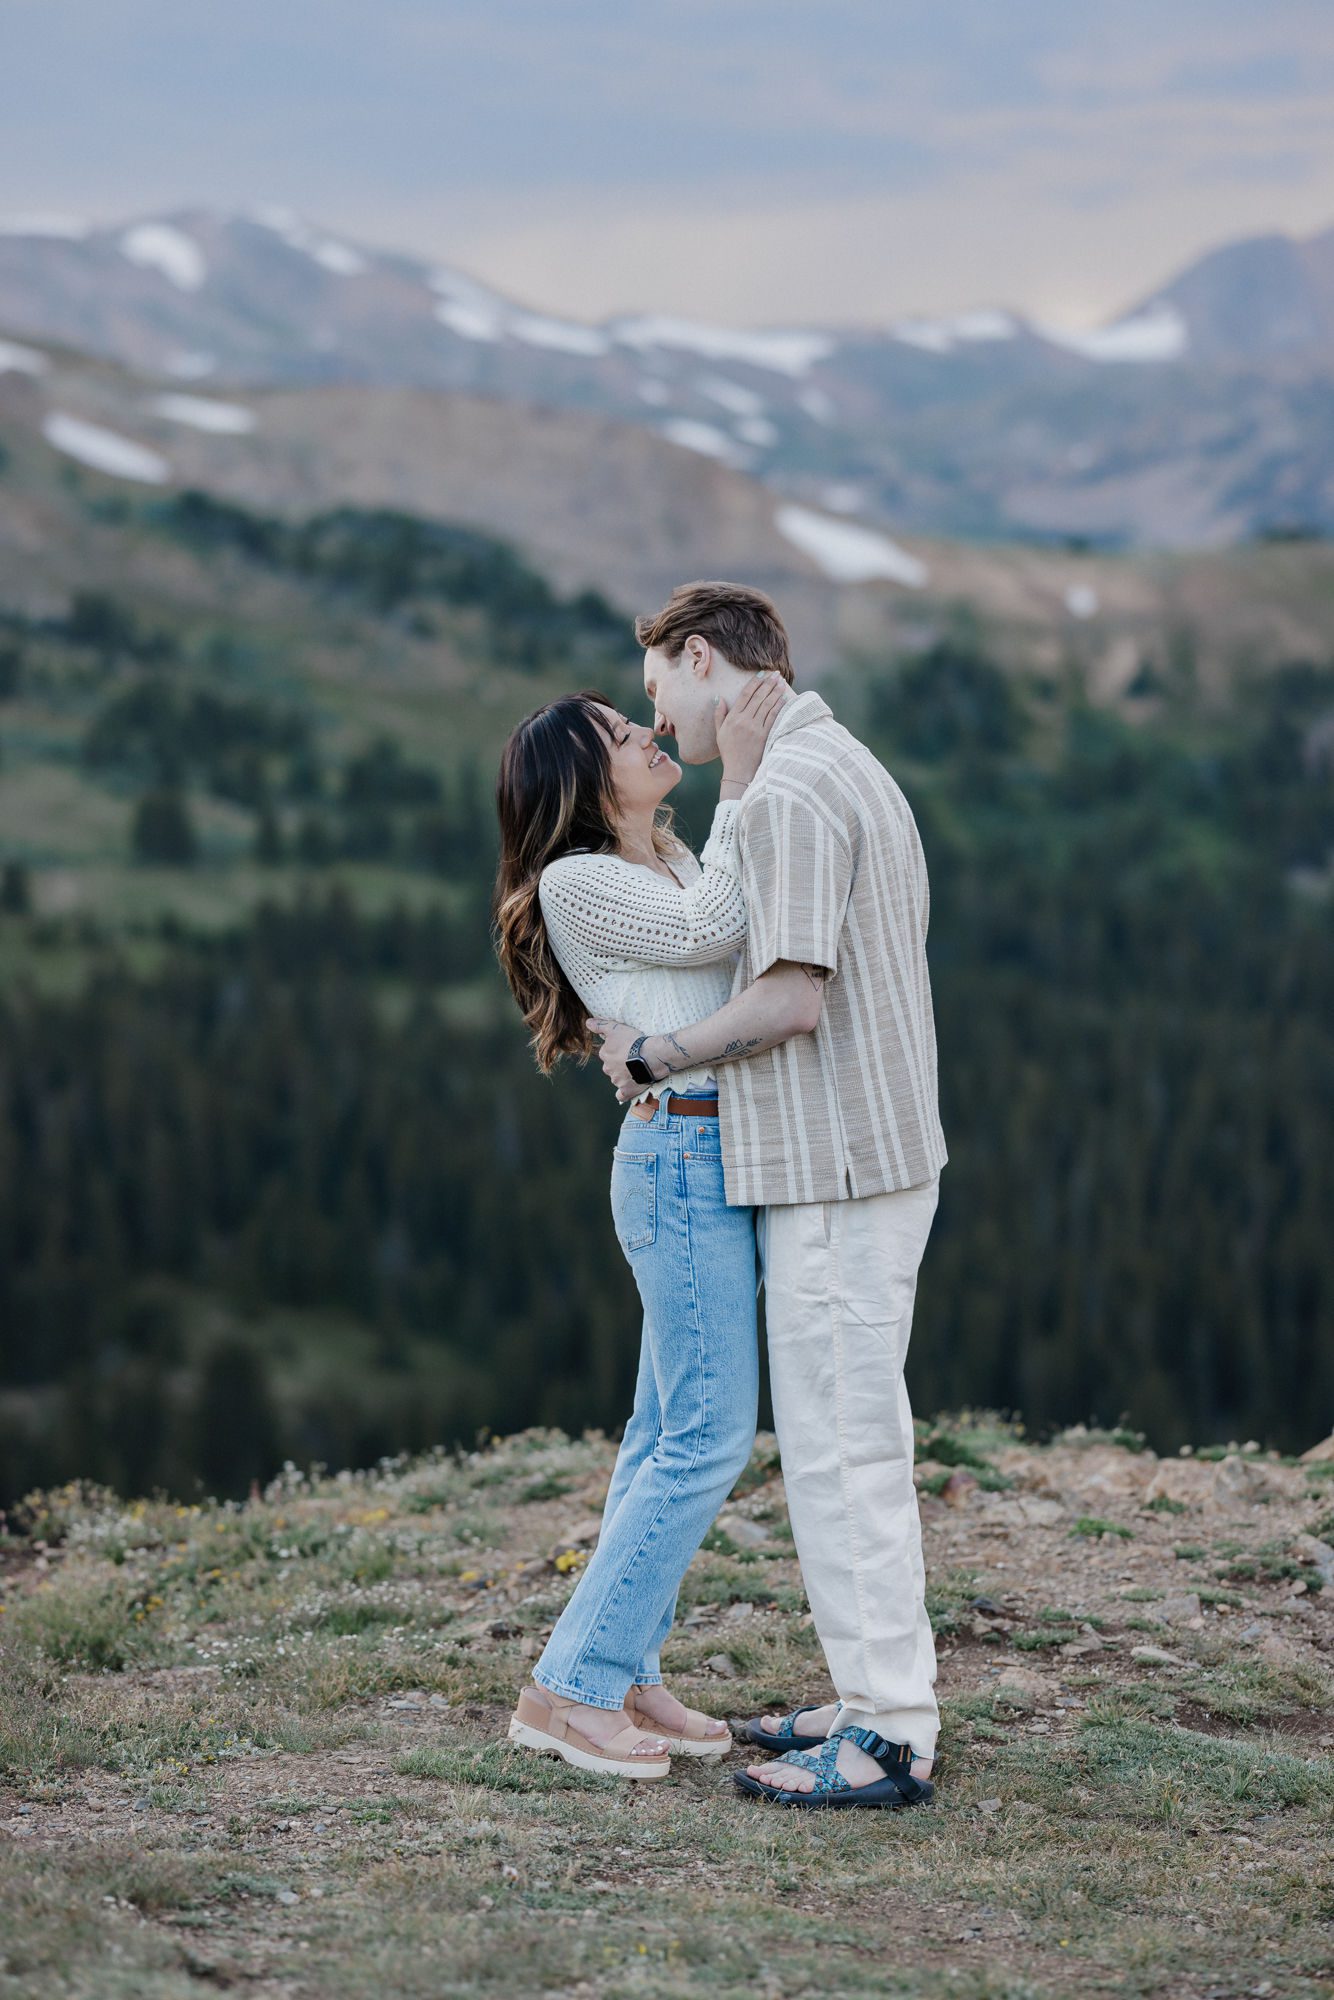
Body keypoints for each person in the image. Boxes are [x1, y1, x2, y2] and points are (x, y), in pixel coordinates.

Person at [589, 580, 947, 1811]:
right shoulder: (833, 757)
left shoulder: (788, 790)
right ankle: (868, 1698)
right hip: (867, 1156)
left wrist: (650, 1054)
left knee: (841, 1450)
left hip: (837, 1169)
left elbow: (789, 994)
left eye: (657, 691)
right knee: (857, 1436)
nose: (659, 718)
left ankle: (889, 1735)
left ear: (701, 657)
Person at [492, 673, 784, 1779]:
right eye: (620, 732)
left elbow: (722, 943)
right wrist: (747, 777)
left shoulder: (663, 855)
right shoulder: (576, 879)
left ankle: (620, 1669)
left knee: (663, 1433)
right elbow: (722, 923)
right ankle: (568, 1686)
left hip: (702, 1144)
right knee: (708, 1431)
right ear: (581, 776)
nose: (651, 730)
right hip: (679, 1155)